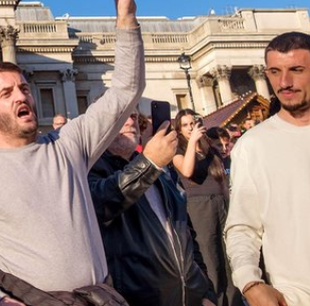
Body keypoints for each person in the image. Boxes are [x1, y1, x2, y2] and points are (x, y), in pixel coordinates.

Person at [0, 0, 142, 306]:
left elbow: (126, 90)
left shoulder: (68, 144)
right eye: (6, 93)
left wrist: (125, 19)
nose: (21, 96)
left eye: (23, 88)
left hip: (100, 298)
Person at [225, 32, 310, 306]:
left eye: (296, 70)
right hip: (295, 298)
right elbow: (242, 226)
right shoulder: (251, 145)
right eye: (275, 72)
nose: (284, 83)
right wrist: (250, 283)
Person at [89, 111, 217, 306]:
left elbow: (186, 233)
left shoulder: (163, 172)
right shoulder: (90, 171)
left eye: (133, 114)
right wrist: (149, 163)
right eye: (121, 114)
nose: (131, 120)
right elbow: (103, 204)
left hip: (191, 297)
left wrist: (206, 291)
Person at [171, 109, 241, 306]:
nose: (190, 127)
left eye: (193, 122)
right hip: (199, 206)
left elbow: (223, 178)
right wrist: (192, 142)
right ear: (179, 129)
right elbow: (186, 170)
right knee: (212, 261)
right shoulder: (179, 149)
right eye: (185, 124)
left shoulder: (210, 149)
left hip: (222, 203)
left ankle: (235, 301)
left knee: (230, 259)